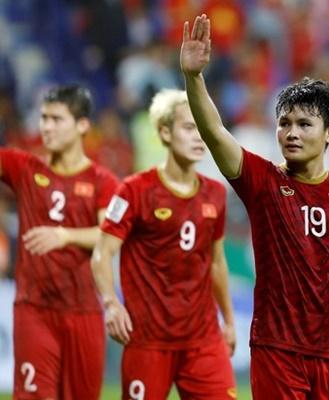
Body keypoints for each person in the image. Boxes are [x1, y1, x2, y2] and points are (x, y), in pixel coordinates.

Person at [180, 14, 329, 399]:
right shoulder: (262, 181)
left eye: (304, 124)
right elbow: (214, 132)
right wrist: (194, 78)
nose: (291, 133)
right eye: (284, 123)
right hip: (276, 350)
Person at [91, 89, 236, 400]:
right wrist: (111, 303)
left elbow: (216, 262)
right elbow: (103, 251)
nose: (199, 137)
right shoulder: (134, 190)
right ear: (165, 133)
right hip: (148, 341)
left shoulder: (215, 193)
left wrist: (228, 319)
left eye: (202, 128)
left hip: (203, 339)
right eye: (189, 127)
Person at [0, 85, 118, 399]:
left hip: (83, 311)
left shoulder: (101, 182)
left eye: (56, 119)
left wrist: (65, 236)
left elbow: (110, 235)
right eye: (43, 118)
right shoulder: (25, 168)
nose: (46, 127)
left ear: (82, 125)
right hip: (33, 310)